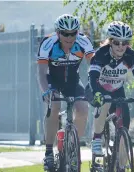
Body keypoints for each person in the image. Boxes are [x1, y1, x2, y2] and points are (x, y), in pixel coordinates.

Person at [37, 14, 94, 170]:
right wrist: (46, 92)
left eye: (73, 33)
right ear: (58, 33)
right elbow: (41, 73)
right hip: (52, 80)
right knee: (54, 106)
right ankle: (49, 152)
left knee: (83, 109)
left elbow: (93, 67)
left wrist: (93, 86)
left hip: (73, 81)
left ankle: (73, 146)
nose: (69, 37)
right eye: (65, 33)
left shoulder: (84, 41)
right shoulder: (48, 43)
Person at [86, 21, 134, 163]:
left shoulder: (131, 55)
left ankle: (121, 163)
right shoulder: (101, 54)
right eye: (116, 42)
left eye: (124, 42)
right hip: (96, 87)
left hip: (117, 90)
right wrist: (97, 93)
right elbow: (93, 76)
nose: (121, 46)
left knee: (124, 127)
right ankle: (96, 139)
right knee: (106, 101)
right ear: (110, 41)